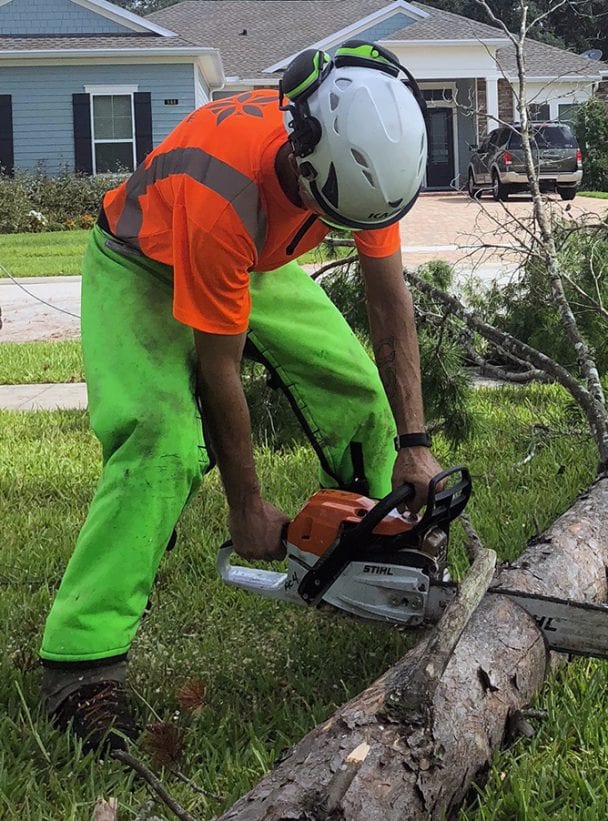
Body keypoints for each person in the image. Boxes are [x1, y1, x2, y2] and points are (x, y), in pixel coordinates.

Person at [39, 41, 441, 752]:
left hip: (252, 259)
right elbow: (218, 369)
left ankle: (382, 563)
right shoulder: (224, 187)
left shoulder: (366, 154)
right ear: (304, 154)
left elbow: (388, 299)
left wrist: (416, 443)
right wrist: (247, 503)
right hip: (144, 260)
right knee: (162, 439)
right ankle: (82, 663)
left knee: (359, 399)